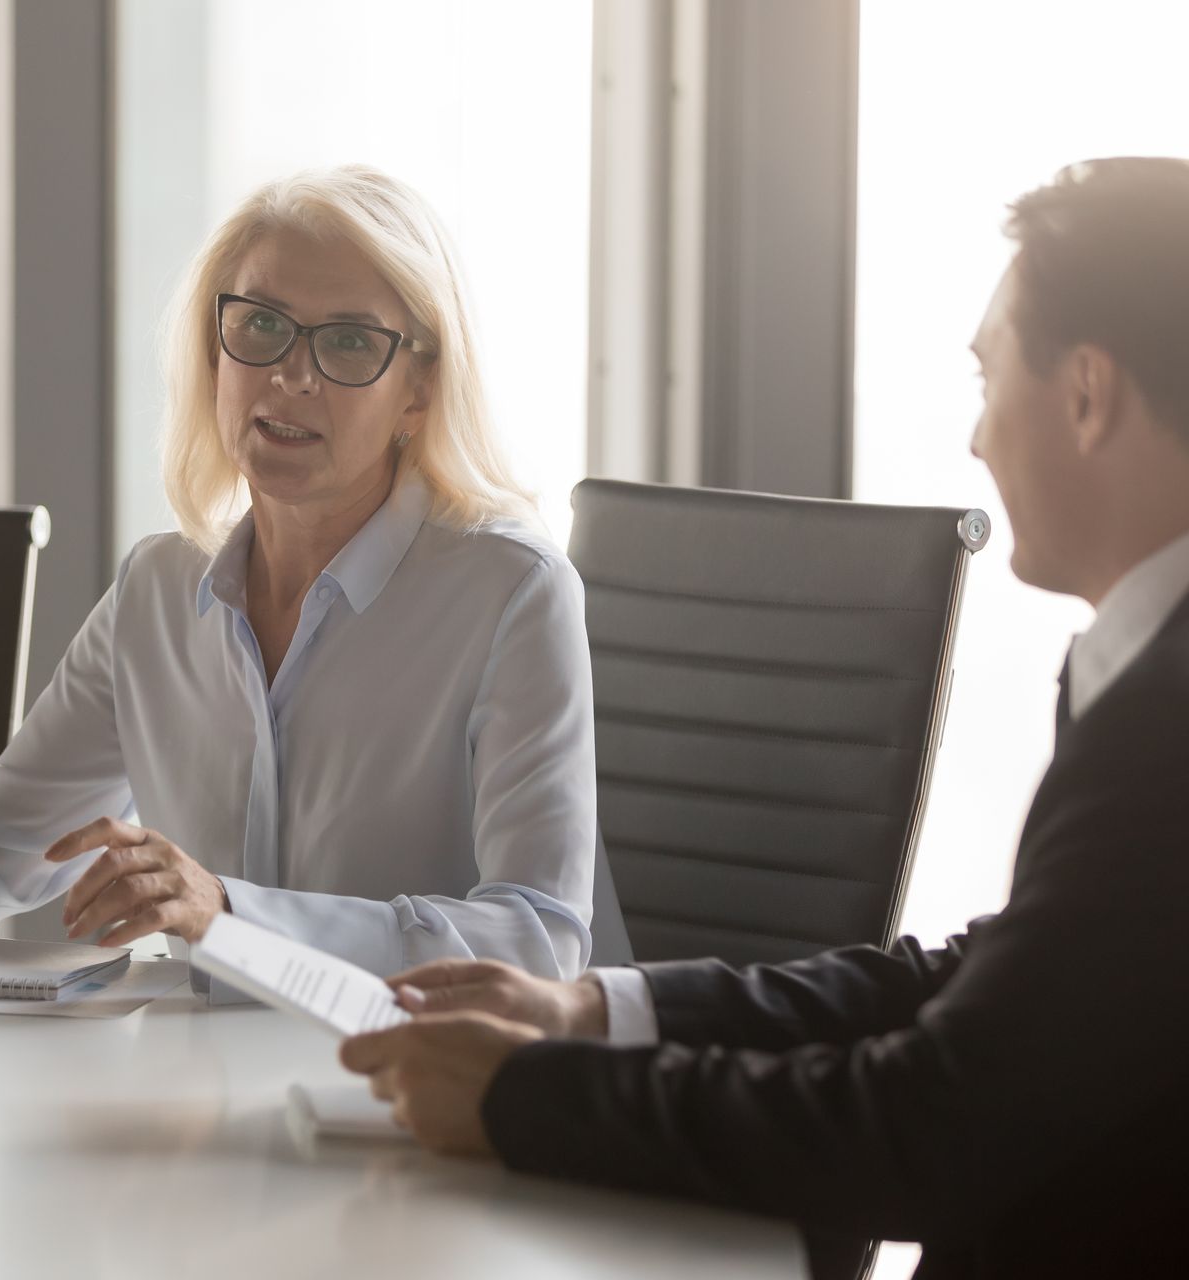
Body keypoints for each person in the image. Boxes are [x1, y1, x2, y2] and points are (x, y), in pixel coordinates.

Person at [340, 157, 1189, 1277]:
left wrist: (526, 1095)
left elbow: (930, 1124)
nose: (977, 438)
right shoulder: (1146, 680)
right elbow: (981, 984)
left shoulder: (1165, 730)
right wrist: (596, 1009)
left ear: (1087, 393)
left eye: (989, 379)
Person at [0, 166, 598, 994]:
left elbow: (537, 939)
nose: (292, 375)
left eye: (350, 341)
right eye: (261, 325)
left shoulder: (512, 592)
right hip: (195, 1086)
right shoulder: (159, 587)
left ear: (419, 390)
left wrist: (229, 917)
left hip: (407, 1093)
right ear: (214, 352)